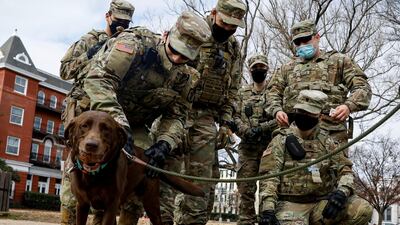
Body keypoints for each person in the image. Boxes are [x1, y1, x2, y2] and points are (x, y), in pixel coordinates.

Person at [63, 11, 211, 225]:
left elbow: (177, 115)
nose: (177, 58)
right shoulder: (134, 45)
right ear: (166, 35)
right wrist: (119, 123)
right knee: (77, 185)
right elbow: (98, 80)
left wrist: (164, 144)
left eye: (186, 56)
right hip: (93, 115)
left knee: (136, 178)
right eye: (175, 50)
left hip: (135, 123)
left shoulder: (186, 77)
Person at [59, 1, 134, 224]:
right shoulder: (89, 40)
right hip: (82, 113)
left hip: (107, 118)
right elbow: (65, 70)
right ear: (107, 16)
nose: (121, 24)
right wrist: (90, 54)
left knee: (107, 184)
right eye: (118, 19)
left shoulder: (127, 45)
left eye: (126, 22)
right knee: (72, 183)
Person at [173, 1, 247, 225]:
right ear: (214, 13)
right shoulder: (193, 31)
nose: (227, 30)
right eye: (224, 23)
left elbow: (232, 90)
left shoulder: (233, 48)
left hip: (207, 119)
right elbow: (172, 73)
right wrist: (178, 121)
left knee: (204, 184)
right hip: (177, 112)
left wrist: (226, 123)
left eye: (233, 26)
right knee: (169, 182)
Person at [258, 90, 373, 225]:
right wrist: (268, 210)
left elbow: (345, 171)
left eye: (309, 113)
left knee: (362, 210)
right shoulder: (280, 140)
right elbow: (269, 178)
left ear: (318, 116)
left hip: (320, 204)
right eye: (301, 112)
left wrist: (342, 192)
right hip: (291, 205)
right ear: (295, 111)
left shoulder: (328, 142)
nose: (304, 116)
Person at [267, 19, 372, 156]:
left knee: (336, 174)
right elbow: (271, 93)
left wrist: (348, 106)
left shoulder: (339, 61)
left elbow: (362, 87)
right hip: (294, 135)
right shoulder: (286, 68)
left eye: (306, 40)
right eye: (297, 42)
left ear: (317, 37)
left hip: (331, 134)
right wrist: (277, 111)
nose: (302, 45)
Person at [233, 54, 277, 225]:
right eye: (255, 68)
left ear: (267, 69)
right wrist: (245, 130)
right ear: (250, 70)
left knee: (269, 188)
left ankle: (268, 219)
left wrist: (262, 128)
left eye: (262, 67)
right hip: (248, 147)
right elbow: (234, 116)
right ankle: (246, 221)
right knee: (245, 188)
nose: (259, 70)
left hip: (270, 147)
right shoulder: (242, 93)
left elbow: (281, 116)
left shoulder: (274, 92)